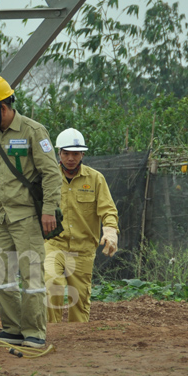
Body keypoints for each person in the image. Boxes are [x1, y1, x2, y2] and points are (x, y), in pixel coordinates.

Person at [0, 74, 62, 349]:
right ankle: (12, 328)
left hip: (27, 217)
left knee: (31, 274)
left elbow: (51, 174)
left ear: (3, 108)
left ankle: (34, 332)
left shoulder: (33, 131)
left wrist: (48, 211)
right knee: (0, 275)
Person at [44, 128, 119, 323]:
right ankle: (52, 334)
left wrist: (110, 233)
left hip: (83, 249)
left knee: (80, 300)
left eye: (75, 153)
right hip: (54, 244)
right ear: (58, 153)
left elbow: (108, 210)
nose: (71, 158)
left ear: (82, 154)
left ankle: (78, 344)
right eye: (66, 153)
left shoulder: (95, 179)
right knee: (52, 285)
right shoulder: (48, 178)